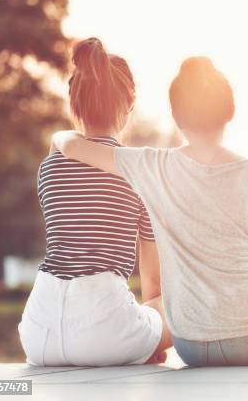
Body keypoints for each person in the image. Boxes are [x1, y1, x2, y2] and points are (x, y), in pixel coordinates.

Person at [51, 56, 248, 366]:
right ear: (230, 111)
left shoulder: (153, 166)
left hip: (193, 346)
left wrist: (59, 136)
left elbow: (75, 148)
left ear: (175, 116)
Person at [18, 38, 172, 367]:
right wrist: (147, 337)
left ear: (75, 106)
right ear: (129, 105)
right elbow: (153, 280)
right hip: (105, 333)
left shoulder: (48, 169)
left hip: (38, 336)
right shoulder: (140, 172)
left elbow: (60, 148)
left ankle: (134, 342)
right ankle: (138, 346)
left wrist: (61, 139)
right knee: (176, 307)